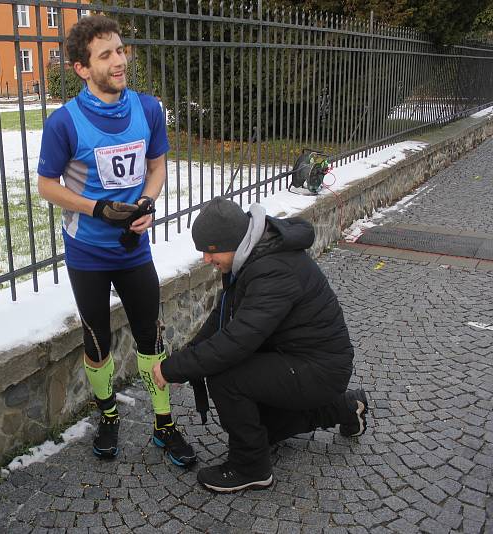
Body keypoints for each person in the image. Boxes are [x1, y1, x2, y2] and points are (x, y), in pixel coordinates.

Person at [37, 15, 196, 467]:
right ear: (82, 68)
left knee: (151, 338)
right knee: (97, 342)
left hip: (133, 251)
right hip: (87, 252)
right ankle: (108, 414)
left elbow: (157, 167)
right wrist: (98, 209)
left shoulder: (147, 109)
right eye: (105, 54)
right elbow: (47, 186)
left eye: (120, 49)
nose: (118, 60)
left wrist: (145, 204)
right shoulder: (63, 123)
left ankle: (164, 425)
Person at [153, 197, 368, 492]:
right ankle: (344, 408)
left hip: (318, 368)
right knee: (265, 427)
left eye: (210, 251)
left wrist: (173, 369)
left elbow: (235, 341)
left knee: (225, 376)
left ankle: (250, 467)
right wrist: (188, 355)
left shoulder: (271, 269)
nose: (205, 259)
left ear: (232, 242)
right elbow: (223, 316)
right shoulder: (253, 254)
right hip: (300, 361)